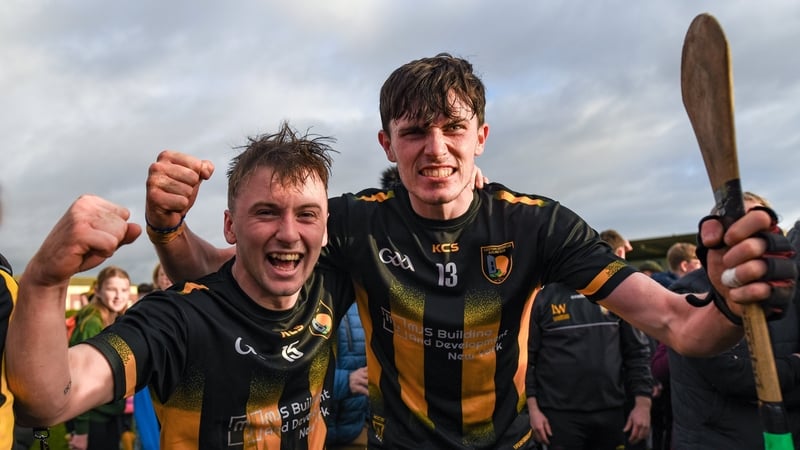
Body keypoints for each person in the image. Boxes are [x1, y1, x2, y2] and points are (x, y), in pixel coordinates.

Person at [140, 53, 795, 449]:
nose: (435, 148)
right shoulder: (356, 223)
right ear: (386, 143)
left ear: (480, 135)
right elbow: (225, 282)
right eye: (414, 131)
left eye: (452, 127)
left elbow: (683, 326)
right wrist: (168, 228)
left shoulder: (538, 226)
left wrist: (736, 298)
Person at [6, 123, 354, 448]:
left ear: (326, 230)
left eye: (307, 214)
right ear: (230, 227)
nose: (289, 233)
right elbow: (50, 402)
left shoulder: (331, 283)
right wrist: (45, 280)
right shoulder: (180, 318)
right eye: (266, 212)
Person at [667, 192, 800, 449]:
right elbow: (734, 375)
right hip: (716, 441)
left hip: (785, 437)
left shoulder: (788, 290)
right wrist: (795, 366)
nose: (744, 235)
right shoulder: (689, 294)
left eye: (755, 224)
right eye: (733, 226)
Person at [527, 229, 653, 449]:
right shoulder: (542, 298)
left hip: (613, 411)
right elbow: (527, 359)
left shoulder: (613, 293)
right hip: (558, 416)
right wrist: (533, 410)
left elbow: (637, 354)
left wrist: (643, 404)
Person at [65, 265, 132, 450]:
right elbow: (79, 379)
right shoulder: (92, 323)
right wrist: (81, 431)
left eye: (124, 290)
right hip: (92, 419)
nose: (119, 295)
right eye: (112, 289)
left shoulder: (117, 318)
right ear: (98, 291)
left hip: (110, 412)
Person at [648, 241, 700, 450]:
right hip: (671, 387)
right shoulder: (672, 295)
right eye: (697, 262)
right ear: (686, 265)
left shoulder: (655, 292)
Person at [326, 303, 369, 449]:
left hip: (355, 431)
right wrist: (345, 382)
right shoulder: (306, 302)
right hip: (315, 436)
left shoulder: (361, 302)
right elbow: (293, 376)